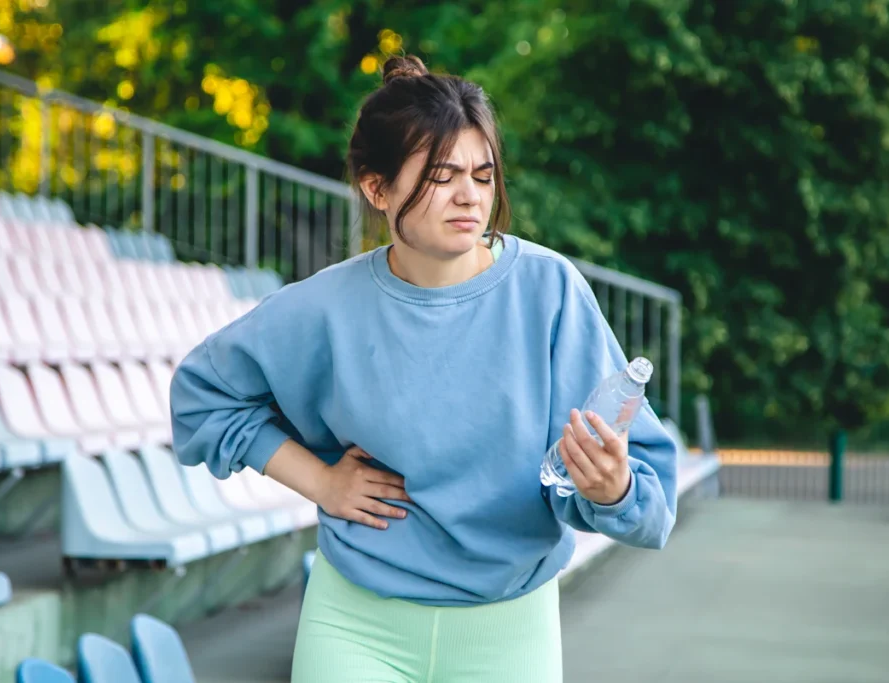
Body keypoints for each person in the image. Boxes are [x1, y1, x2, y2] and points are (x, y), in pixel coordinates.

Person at [170, 54, 678, 683]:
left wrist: (612, 491)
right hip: (353, 626)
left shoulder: (550, 292)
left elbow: (652, 502)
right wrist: (321, 481)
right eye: (443, 176)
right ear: (376, 187)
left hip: (509, 629)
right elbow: (202, 395)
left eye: (484, 175)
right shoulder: (325, 306)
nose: (470, 195)